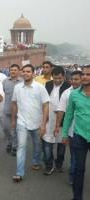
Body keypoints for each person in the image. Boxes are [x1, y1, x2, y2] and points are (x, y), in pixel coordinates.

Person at [11, 64, 49, 182]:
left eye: (28, 71)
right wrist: (13, 119)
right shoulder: (17, 87)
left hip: (37, 122)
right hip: (22, 121)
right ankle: (19, 172)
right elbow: (14, 103)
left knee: (37, 145)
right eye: (24, 71)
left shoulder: (40, 87)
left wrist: (43, 124)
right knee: (21, 146)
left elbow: (46, 105)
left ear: (33, 74)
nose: (26, 73)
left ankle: (36, 161)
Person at [62, 65, 90, 200]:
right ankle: (77, 197)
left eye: (88, 74)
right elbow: (69, 115)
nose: (85, 77)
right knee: (79, 170)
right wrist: (64, 134)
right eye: (84, 74)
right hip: (79, 136)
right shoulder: (74, 94)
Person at [42, 66, 70, 175]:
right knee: (47, 143)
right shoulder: (48, 84)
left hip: (62, 120)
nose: (57, 81)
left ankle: (59, 164)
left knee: (61, 145)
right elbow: (44, 101)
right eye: (55, 78)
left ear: (63, 76)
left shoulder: (68, 87)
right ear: (52, 77)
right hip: (49, 119)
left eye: (59, 78)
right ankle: (49, 165)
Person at [55, 70, 82, 184]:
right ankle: (73, 177)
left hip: (87, 130)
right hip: (73, 131)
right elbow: (61, 110)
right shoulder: (67, 93)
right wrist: (57, 125)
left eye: (76, 79)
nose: (73, 82)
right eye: (72, 79)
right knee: (75, 157)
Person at [2, 64, 22, 156]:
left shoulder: (22, 82)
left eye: (15, 70)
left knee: (15, 129)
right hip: (6, 109)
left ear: (18, 71)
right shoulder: (5, 81)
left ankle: (14, 146)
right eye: (11, 70)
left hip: (18, 111)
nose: (13, 71)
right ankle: (10, 142)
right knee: (6, 128)